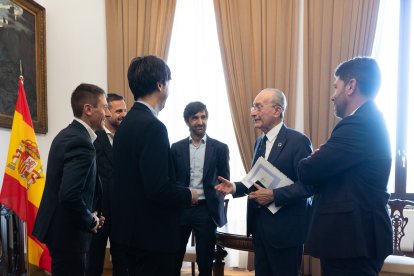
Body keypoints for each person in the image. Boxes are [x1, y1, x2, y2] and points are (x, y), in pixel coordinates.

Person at [297, 57, 393, 275]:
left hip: (352, 239)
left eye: (335, 87)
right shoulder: (370, 119)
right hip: (352, 238)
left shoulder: (359, 123)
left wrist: (313, 160)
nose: (332, 96)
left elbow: (308, 171)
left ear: (351, 86)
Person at [110, 55, 198, 276]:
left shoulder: (126, 124)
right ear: (160, 85)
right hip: (150, 240)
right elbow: (157, 188)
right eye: (168, 84)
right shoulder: (153, 127)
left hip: (126, 235)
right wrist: (189, 195)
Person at [215, 88, 313, 276]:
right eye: (253, 107)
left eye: (258, 107)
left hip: (286, 232)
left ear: (277, 111)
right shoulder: (260, 141)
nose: (253, 113)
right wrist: (235, 187)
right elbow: (256, 178)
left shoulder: (298, 141)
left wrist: (274, 195)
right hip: (260, 230)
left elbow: (308, 186)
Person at [33, 83, 110, 275]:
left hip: (60, 230)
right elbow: (69, 195)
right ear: (88, 109)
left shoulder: (66, 134)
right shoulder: (81, 142)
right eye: (104, 107)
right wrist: (90, 221)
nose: (107, 113)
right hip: (70, 234)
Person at [171, 101, 230, 276]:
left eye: (203, 117)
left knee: (205, 261)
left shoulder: (220, 148)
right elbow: (172, 180)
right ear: (187, 121)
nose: (200, 121)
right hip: (181, 209)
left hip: (206, 210)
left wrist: (219, 192)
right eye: (195, 118)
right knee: (174, 257)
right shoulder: (176, 148)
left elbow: (225, 180)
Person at [86, 93, 127, 276]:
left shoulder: (129, 139)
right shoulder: (94, 138)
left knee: (123, 262)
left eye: (125, 110)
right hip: (100, 213)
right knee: (94, 261)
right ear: (107, 112)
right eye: (119, 110)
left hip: (123, 213)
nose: (123, 114)